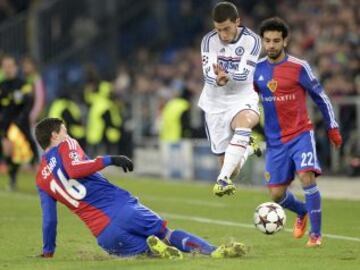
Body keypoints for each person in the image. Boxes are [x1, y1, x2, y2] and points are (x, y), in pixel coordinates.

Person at [34, 117, 247, 259]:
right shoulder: (66, 145)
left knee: (147, 256)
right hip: (123, 210)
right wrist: (110, 159)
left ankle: (155, 250)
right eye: (65, 131)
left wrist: (48, 252)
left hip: (104, 234)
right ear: (54, 135)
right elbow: (74, 169)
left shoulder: (41, 179)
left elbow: (49, 220)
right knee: (168, 233)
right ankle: (213, 252)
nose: (68, 134)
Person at [254, 17, 343, 247]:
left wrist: (332, 127)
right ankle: (303, 211)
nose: (271, 45)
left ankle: (316, 235)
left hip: (300, 134)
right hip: (275, 143)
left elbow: (321, 97)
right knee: (276, 195)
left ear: (285, 41)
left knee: (306, 177)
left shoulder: (299, 67)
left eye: (276, 40)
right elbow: (246, 102)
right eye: (267, 41)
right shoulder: (257, 71)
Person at [198, 2, 261, 197]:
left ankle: (221, 180)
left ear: (237, 22)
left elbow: (245, 73)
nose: (223, 35)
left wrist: (228, 76)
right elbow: (207, 74)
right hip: (215, 103)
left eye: (226, 29)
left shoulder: (252, 40)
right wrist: (218, 78)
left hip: (242, 97)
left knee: (245, 122)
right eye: (219, 30)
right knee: (231, 168)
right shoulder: (208, 41)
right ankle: (247, 149)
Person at [0, 55, 37, 190]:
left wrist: (22, 118)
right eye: (5, 66)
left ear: (15, 67)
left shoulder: (23, 84)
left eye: (10, 66)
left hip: (21, 123)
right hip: (6, 123)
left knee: (30, 147)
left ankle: (39, 172)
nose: (7, 69)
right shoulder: (2, 85)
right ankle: (12, 178)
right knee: (8, 150)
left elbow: (28, 103)